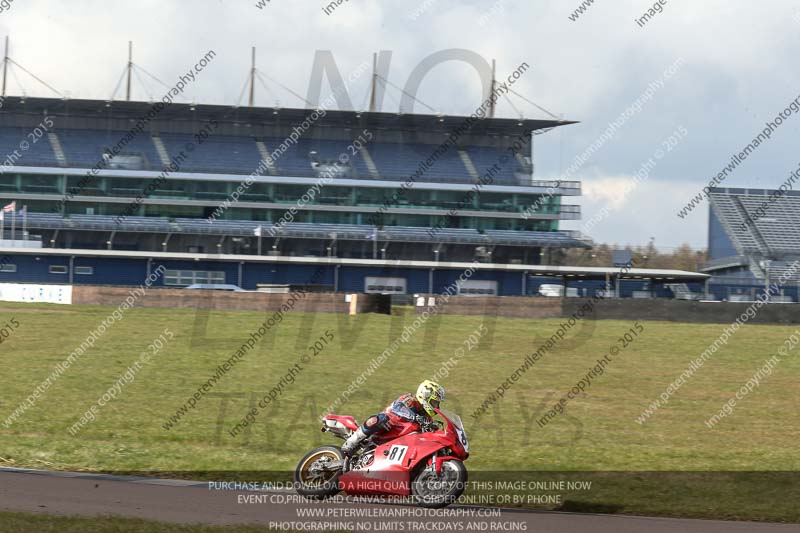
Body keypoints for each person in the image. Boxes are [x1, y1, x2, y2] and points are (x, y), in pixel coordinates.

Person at [341, 380, 445, 456]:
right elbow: (398, 407)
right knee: (380, 419)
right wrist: (415, 417)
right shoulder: (410, 400)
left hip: (398, 443)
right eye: (434, 402)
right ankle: (352, 442)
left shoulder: (426, 417)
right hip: (387, 427)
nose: (436, 407)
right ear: (425, 396)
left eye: (437, 404)